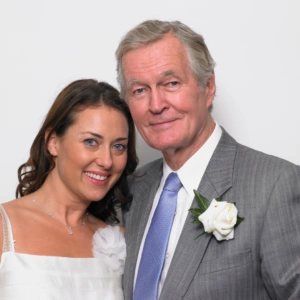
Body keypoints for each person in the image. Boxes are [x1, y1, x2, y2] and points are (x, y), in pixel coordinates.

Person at [115, 20, 300, 300]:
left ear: (208, 86)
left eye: (171, 83)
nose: (156, 105)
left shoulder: (275, 184)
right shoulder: (130, 189)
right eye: (139, 90)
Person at [0, 79, 138, 299]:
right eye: (91, 142)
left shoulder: (121, 242)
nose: (106, 161)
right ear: (53, 142)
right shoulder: (3, 228)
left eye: (118, 146)